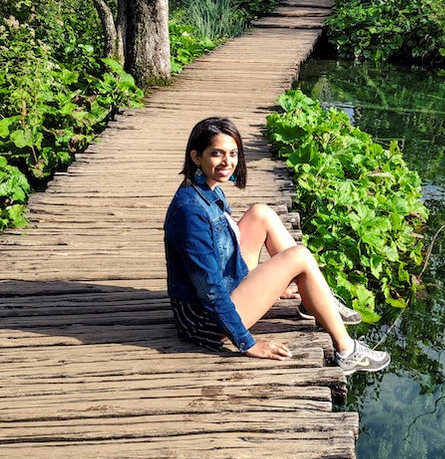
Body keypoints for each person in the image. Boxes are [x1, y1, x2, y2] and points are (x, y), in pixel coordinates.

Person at [163, 116, 390, 375]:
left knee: (261, 214)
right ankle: (348, 352)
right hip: (205, 321)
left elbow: (226, 246)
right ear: (196, 157)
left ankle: (315, 297)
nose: (228, 162)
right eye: (217, 154)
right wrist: (247, 343)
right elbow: (210, 289)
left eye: (233, 153)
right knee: (299, 256)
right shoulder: (190, 210)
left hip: (225, 285)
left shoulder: (207, 188)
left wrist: (269, 285)